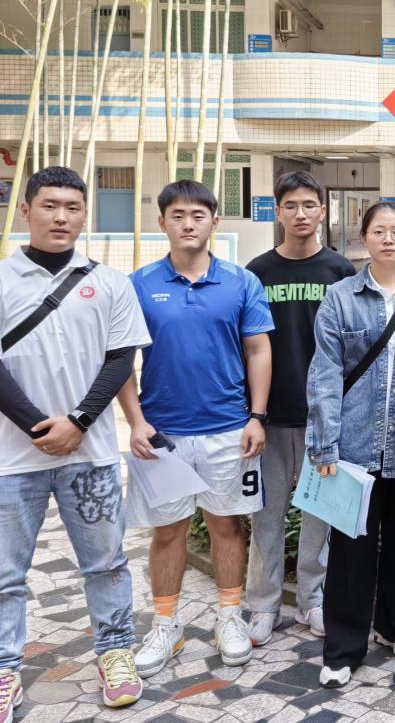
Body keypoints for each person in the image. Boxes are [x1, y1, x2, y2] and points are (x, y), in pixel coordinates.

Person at [0, 167, 151, 717]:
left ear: (85, 214)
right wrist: (39, 427)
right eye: (49, 205)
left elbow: (121, 359)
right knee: (5, 575)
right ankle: (4, 669)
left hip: (91, 455)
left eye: (72, 207)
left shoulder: (110, 283)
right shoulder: (2, 278)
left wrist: (79, 422)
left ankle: (116, 653)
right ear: (25, 210)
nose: (61, 217)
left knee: (106, 563)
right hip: (11, 459)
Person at [122, 180, 273, 678]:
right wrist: (136, 422)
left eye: (198, 214)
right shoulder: (139, 284)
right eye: (178, 215)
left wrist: (256, 416)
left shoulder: (240, 282)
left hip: (229, 429)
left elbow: (258, 349)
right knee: (168, 531)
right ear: (162, 221)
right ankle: (166, 625)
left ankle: (229, 617)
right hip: (163, 434)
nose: (188, 223)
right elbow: (120, 359)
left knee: (226, 524)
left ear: (214, 221)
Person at [306, 201, 395, 688]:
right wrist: (324, 445)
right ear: (364, 238)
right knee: (351, 554)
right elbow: (324, 374)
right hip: (354, 449)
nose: (387, 239)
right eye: (378, 231)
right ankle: (342, 648)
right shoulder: (340, 298)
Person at [244, 172, 354, 645]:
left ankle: (313, 600)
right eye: (291, 205)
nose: (301, 213)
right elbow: (247, 345)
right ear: (278, 211)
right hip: (270, 416)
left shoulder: (341, 271)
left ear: (323, 211)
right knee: (265, 516)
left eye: (310, 204)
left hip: (322, 419)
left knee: (318, 518)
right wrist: (252, 413)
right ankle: (263, 605)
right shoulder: (258, 271)